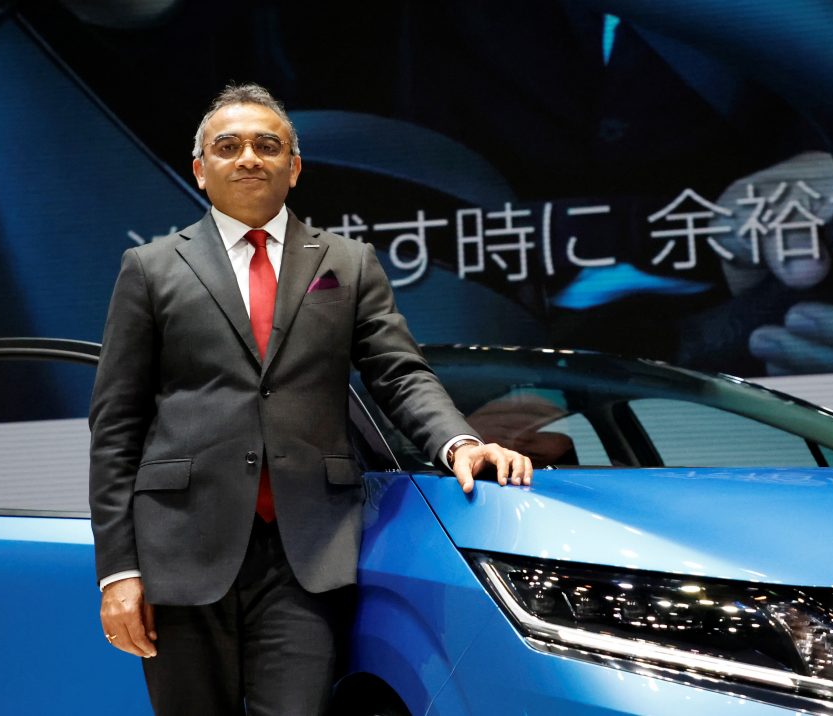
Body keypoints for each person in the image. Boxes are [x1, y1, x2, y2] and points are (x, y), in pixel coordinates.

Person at [88, 82, 532, 715]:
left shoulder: (348, 264)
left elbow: (399, 372)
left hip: (306, 552)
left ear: (293, 168)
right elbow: (116, 427)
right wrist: (119, 571)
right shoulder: (151, 267)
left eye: (268, 145)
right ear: (199, 168)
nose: (249, 158)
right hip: (180, 550)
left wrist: (459, 441)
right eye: (228, 146)